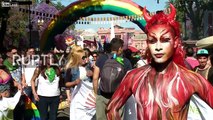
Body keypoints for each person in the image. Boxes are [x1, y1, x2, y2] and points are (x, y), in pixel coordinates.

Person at [106, 4, 213, 120]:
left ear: (176, 42)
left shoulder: (190, 79)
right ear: (147, 43)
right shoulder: (134, 77)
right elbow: (112, 108)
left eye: (165, 40)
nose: (158, 47)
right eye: (152, 41)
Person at [93, 38, 132, 120]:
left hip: (102, 95)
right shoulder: (125, 61)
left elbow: (95, 78)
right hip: (118, 97)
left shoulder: (101, 58)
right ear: (120, 48)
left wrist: (96, 94)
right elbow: (129, 81)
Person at [65, 45, 95, 120]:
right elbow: (66, 84)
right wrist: (74, 82)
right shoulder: (71, 69)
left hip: (88, 97)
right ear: (77, 59)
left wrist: (92, 74)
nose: (85, 59)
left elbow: (96, 78)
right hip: (77, 96)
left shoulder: (89, 67)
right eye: (83, 58)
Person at [31, 52, 62, 120]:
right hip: (42, 97)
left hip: (55, 97)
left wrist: (60, 94)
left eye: (52, 57)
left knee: (53, 117)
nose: (51, 59)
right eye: (48, 58)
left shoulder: (57, 69)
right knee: (43, 117)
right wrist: (34, 93)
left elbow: (60, 83)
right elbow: (32, 80)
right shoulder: (39, 69)